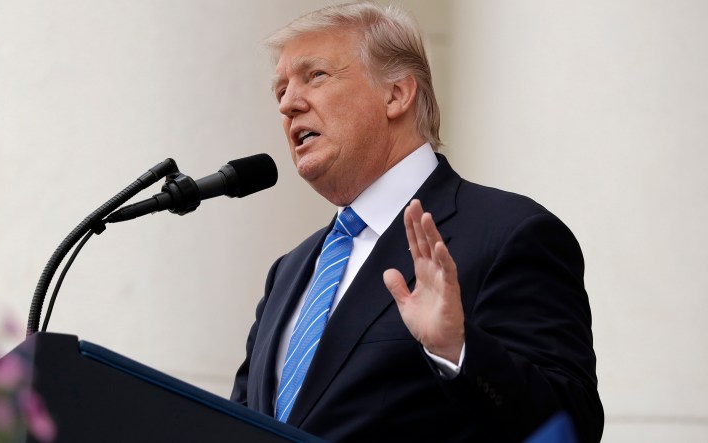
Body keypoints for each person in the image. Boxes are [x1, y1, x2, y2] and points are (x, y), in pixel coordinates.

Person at [231, 2, 604, 442]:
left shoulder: (510, 234)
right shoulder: (289, 271)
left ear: (396, 94)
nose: (289, 104)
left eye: (316, 75)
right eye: (280, 92)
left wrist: (458, 349)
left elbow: (569, 422)